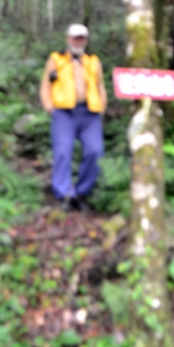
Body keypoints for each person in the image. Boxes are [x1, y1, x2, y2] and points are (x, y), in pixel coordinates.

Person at [39, 23, 107, 210]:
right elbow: (46, 85)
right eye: (75, 37)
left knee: (95, 151)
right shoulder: (56, 60)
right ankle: (64, 195)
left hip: (89, 112)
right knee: (63, 152)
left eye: (82, 38)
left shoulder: (93, 61)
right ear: (68, 39)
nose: (79, 41)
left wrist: (102, 107)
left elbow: (100, 86)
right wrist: (49, 106)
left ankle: (81, 192)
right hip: (64, 113)